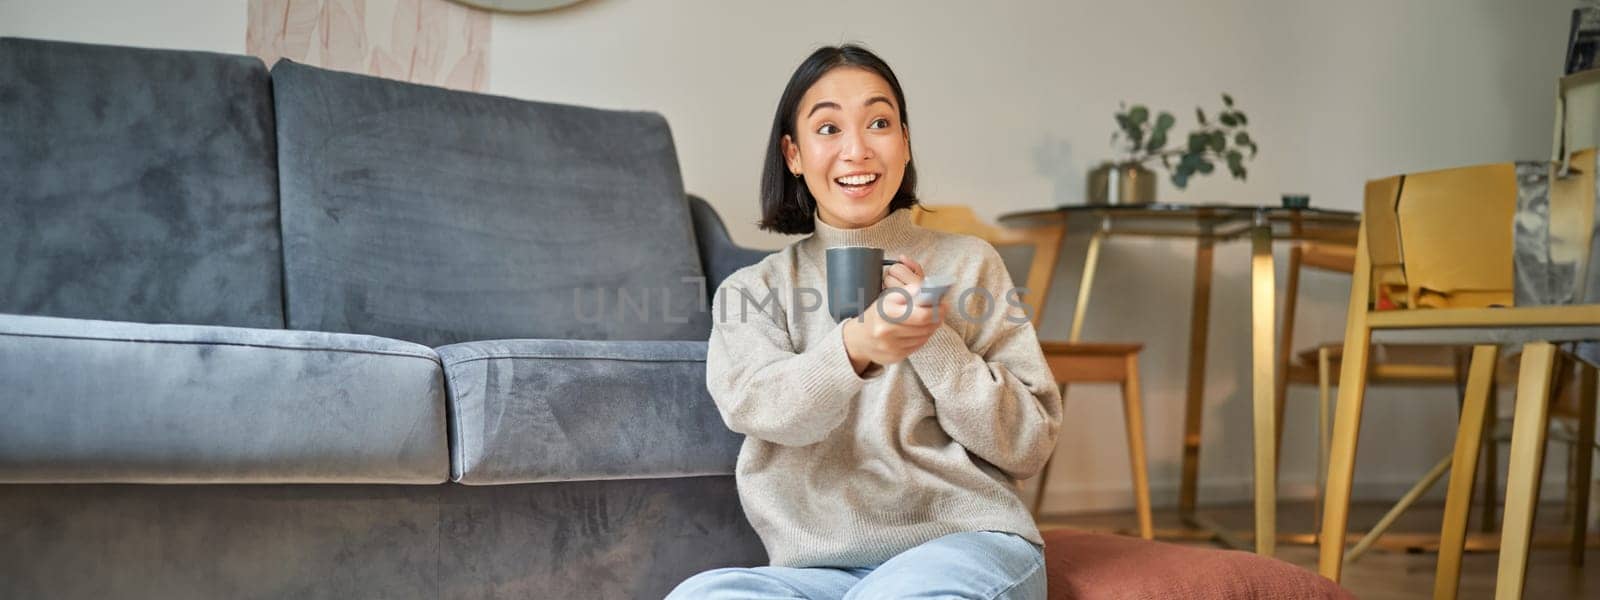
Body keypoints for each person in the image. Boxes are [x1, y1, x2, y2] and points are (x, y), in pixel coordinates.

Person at [666, 44, 1061, 599]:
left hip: (963, 545)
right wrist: (856, 346)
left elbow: (1029, 444)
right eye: (828, 129)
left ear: (903, 142)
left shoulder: (971, 264)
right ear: (793, 154)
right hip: (814, 573)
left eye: (879, 122)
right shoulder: (754, 291)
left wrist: (935, 341)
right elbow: (764, 409)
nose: (857, 150)